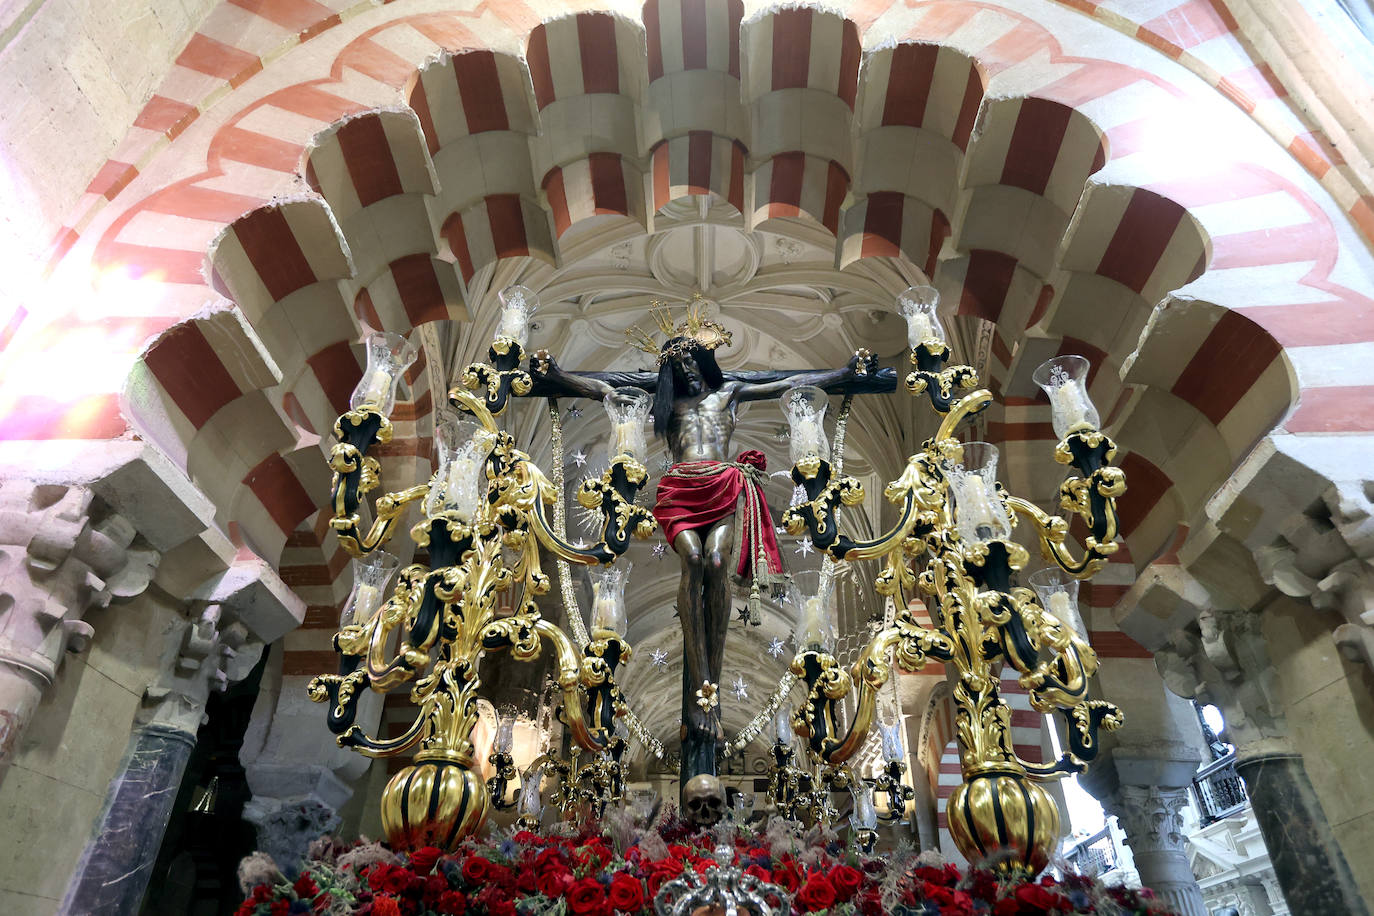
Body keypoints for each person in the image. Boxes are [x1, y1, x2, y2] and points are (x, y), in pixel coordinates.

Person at [532, 307, 875, 779]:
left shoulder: (729, 394)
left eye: (695, 362)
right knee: (692, 560)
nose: (689, 370)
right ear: (671, 372)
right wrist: (559, 377)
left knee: (716, 560)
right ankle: (701, 671)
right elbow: (606, 390)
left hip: (723, 482)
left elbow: (788, 382)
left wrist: (841, 374)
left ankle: (707, 678)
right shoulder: (666, 404)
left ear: (706, 365)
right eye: (680, 366)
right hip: (679, 487)